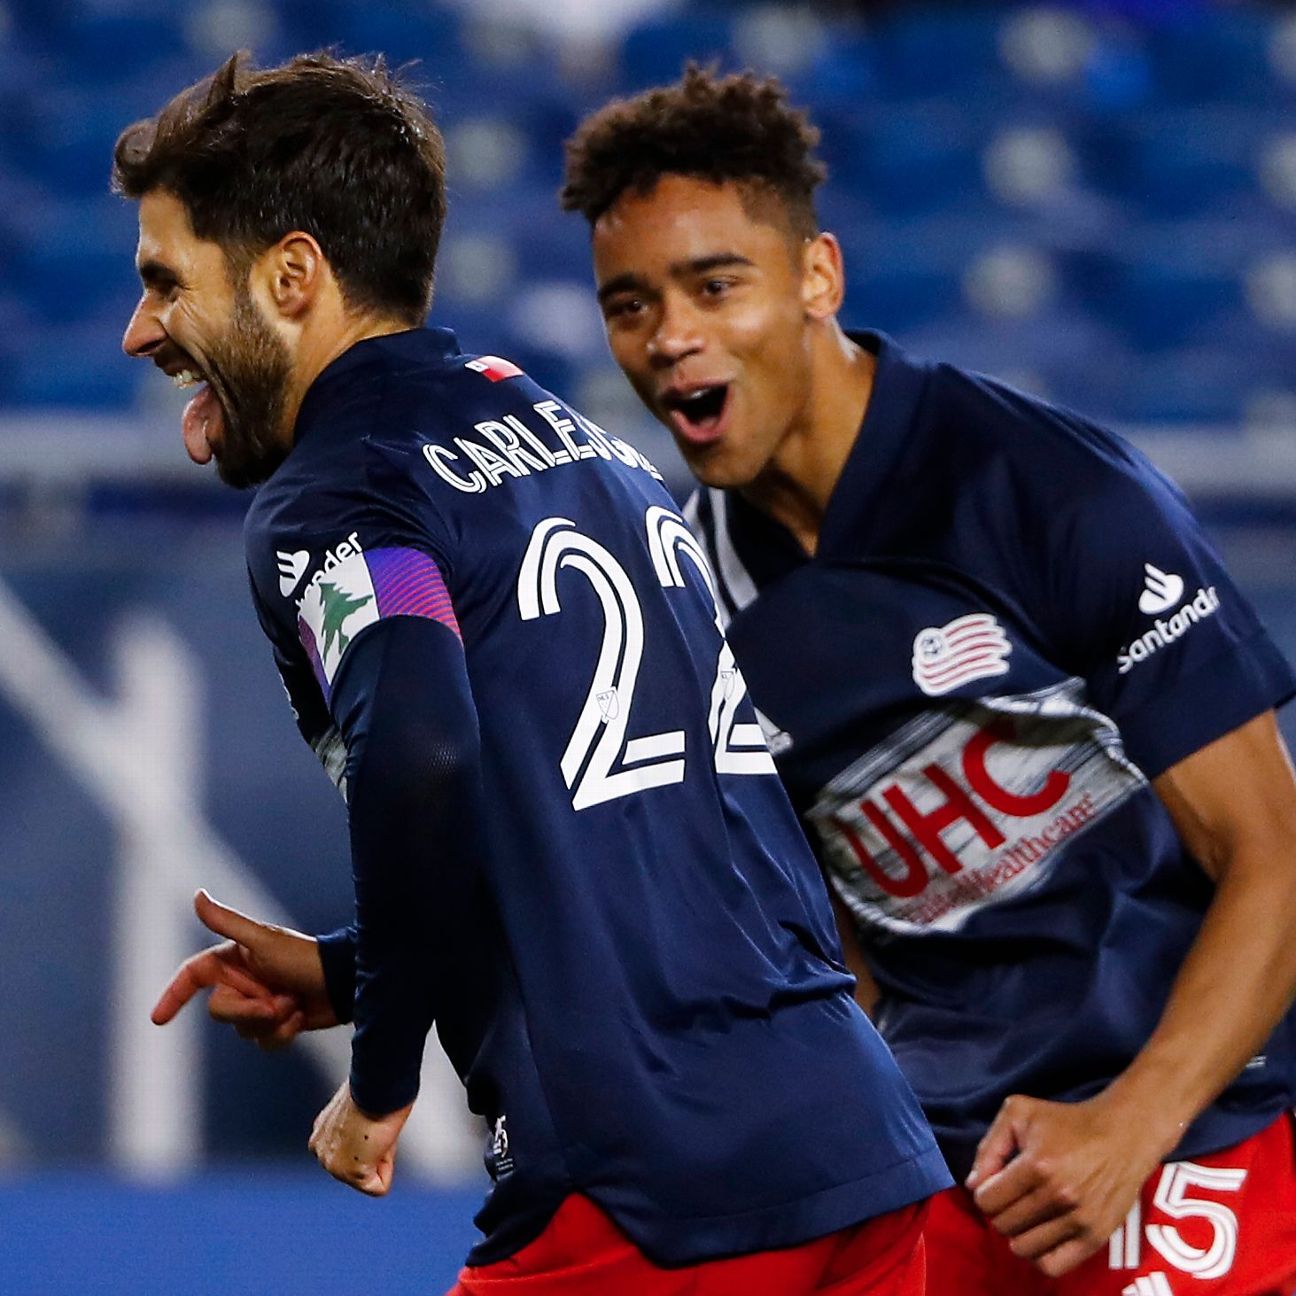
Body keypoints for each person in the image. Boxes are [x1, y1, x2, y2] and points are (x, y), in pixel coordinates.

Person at [117, 51, 952, 1296]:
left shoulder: (341, 494)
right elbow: (605, 827)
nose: (141, 330)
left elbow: (425, 753)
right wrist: (358, 968)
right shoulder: (574, 447)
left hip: (654, 1193)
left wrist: (383, 1075)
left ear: (292, 278)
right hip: (855, 1148)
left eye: (166, 281)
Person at [558, 65, 1296, 1294]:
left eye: (713, 283)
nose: (669, 334)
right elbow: (804, 934)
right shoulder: (693, 596)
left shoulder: (1050, 496)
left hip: (1193, 1136)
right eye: (629, 303)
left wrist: (1132, 1122)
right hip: (955, 1163)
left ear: (817, 277)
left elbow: (1273, 857)